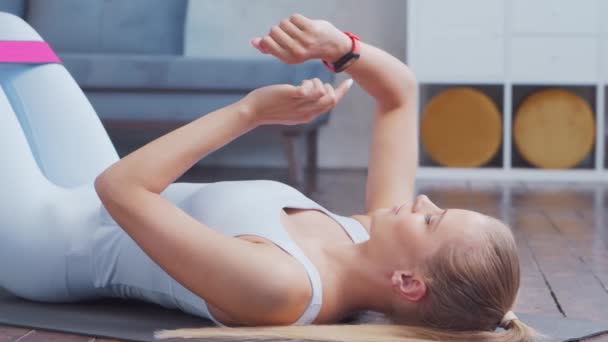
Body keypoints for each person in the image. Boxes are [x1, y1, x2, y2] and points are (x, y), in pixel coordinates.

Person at [0, 12, 543, 342]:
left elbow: (119, 190)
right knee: (10, 31)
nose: (422, 199)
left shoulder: (283, 288)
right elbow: (400, 93)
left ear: (408, 283)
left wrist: (249, 114)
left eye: (432, 220)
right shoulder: (365, 232)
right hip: (84, 185)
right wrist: (340, 48)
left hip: (45, 239)